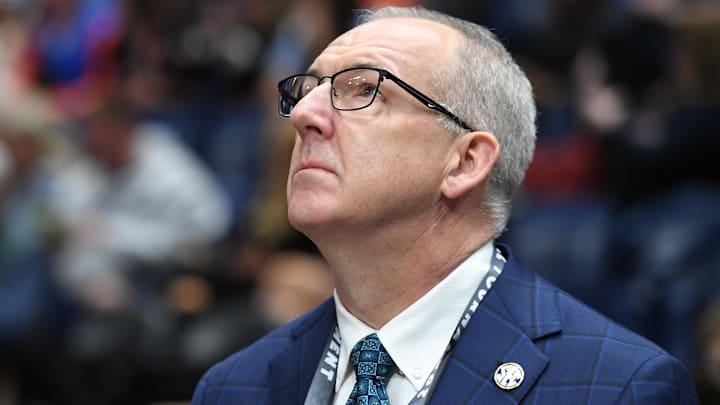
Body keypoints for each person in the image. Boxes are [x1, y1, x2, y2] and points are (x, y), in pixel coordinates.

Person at [192, 6, 699, 404]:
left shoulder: (621, 387)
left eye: (364, 88)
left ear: (465, 162)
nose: (303, 114)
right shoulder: (233, 387)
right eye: (308, 89)